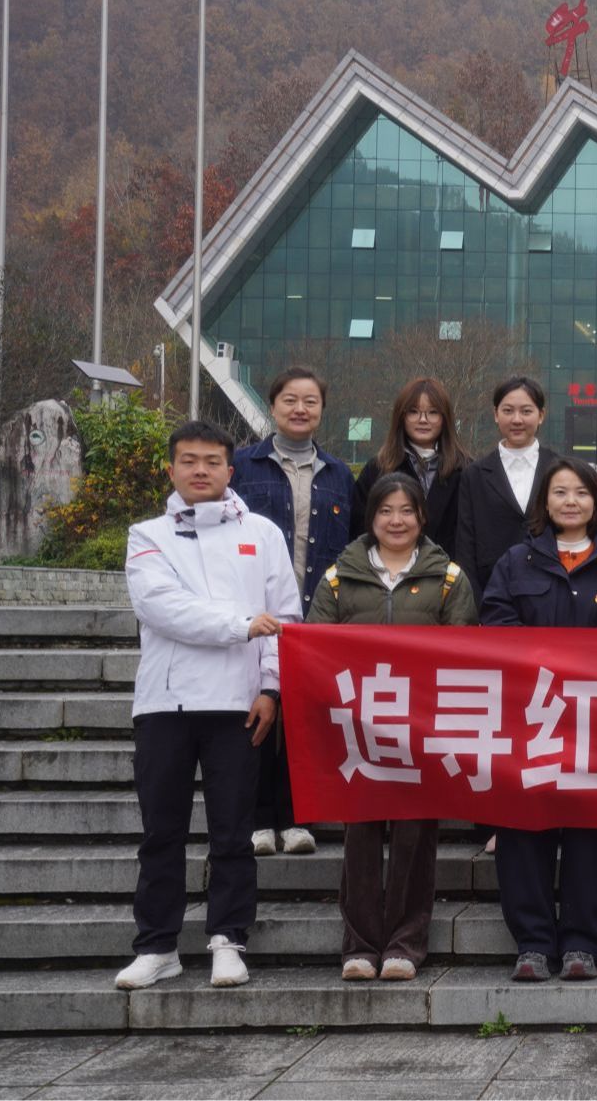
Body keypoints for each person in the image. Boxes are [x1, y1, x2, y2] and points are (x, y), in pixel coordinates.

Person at [115, 421, 300, 991]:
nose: (201, 470)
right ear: (171, 469)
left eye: (212, 461)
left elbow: (284, 618)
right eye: (189, 461)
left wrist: (271, 688)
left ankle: (228, 940)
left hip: (239, 703)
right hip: (164, 704)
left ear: (230, 469)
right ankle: (157, 946)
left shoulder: (263, 533)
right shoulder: (147, 535)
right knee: (161, 832)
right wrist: (241, 625)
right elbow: (162, 607)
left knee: (233, 831)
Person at [306, 472, 477, 982]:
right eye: (385, 511)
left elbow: (464, 652)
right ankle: (359, 945)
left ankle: (405, 943)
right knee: (359, 836)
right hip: (357, 729)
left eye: (406, 511)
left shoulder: (449, 578)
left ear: (422, 516)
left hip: (420, 729)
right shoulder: (339, 577)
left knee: (414, 838)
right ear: (371, 517)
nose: (396, 521)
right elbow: (315, 648)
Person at [481, 458, 597, 983]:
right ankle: (531, 943)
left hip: (596, 719)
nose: (571, 502)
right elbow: (496, 621)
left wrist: (580, 657)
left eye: (581, 493)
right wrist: (548, 656)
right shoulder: (516, 561)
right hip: (530, 717)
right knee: (524, 829)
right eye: (561, 493)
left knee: (591, 833)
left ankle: (581, 944)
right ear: (544, 503)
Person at [231, 366, 361, 859]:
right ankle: (260, 819)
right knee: (259, 714)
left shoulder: (339, 475)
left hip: (316, 614)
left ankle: (297, 818)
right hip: (257, 614)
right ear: (273, 406)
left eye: (310, 401)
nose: (300, 409)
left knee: (303, 720)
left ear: (322, 410)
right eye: (290, 400)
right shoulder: (242, 466)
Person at [452, 376, 562, 606]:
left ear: (541, 415)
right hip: (492, 591)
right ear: (496, 414)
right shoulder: (475, 474)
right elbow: (465, 544)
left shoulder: (560, 469)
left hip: (551, 591)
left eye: (526, 411)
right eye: (508, 410)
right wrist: (476, 602)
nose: (517, 419)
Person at [354, 377, 470, 555]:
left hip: (448, 569)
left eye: (433, 412)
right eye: (414, 412)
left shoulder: (466, 470)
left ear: (444, 418)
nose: (423, 420)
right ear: (401, 417)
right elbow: (359, 531)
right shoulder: (378, 469)